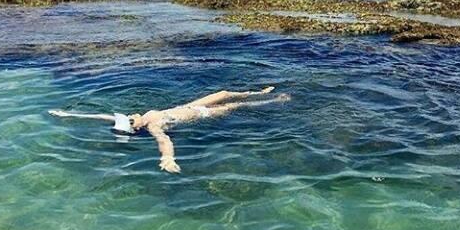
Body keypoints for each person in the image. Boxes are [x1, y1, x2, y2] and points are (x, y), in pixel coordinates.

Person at [49, 86, 289, 173]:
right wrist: (168, 160)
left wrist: (70, 114)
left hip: (188, 106)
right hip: (201, 113)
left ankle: (259, 92)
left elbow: (104, 116)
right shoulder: (153, 125)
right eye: (130, 120)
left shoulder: (141, 118)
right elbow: (164, 141)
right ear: (136, 127)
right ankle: (274, 101)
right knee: (232, 105)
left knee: (225, 93)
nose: (130, 115)